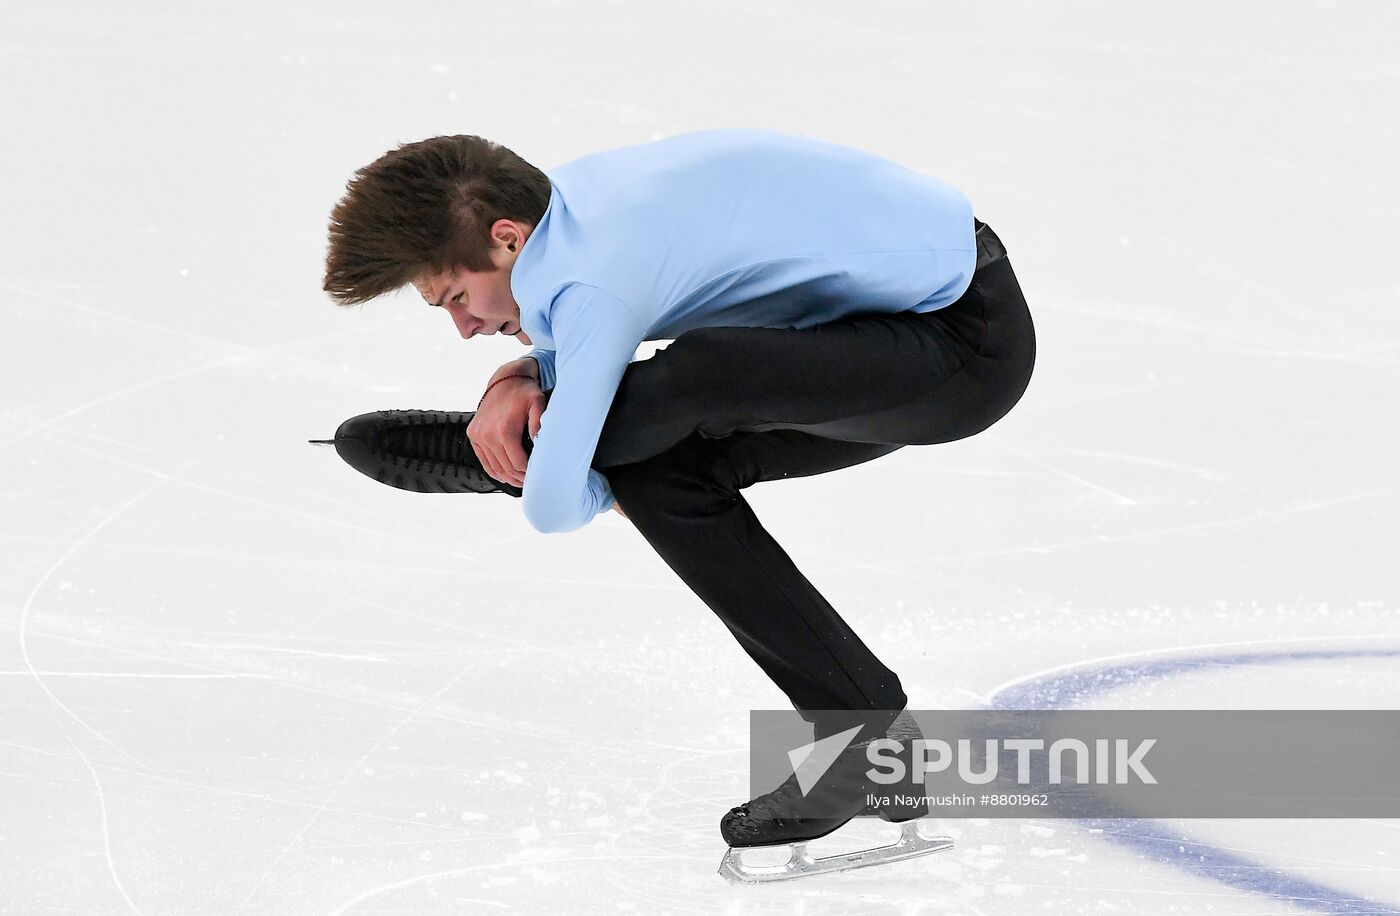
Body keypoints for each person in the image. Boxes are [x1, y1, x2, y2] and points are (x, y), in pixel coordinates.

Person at [320, 128, 1036, 879]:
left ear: (506, 239)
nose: (464, 327)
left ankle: (503, 461)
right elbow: (585, 335)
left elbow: (553, 509)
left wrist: (536, 457)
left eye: (457, 299)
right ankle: (871, 742)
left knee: (698, 374)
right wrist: (523, 377)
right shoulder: (558, 215)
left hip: (961, 347)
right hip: (850, 338)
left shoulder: (588, 277)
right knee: (659, 473)